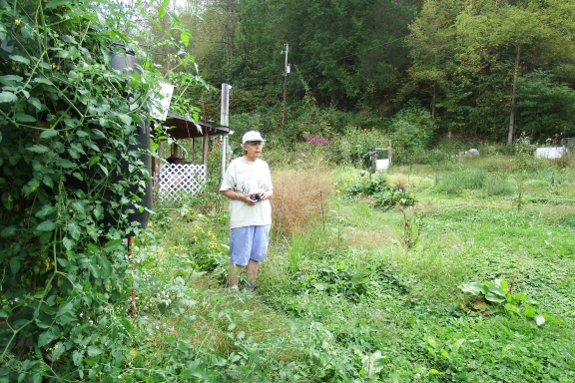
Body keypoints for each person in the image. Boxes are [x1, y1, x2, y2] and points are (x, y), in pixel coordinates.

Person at [220, 130, 273, 291]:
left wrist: (265, 194)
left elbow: (271, 189)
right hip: (242, 219)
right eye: (254, 144)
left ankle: (249, 290)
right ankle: (233, 290)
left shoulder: (263, 166)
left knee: (255, 256)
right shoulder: (236, 165)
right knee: (238, 258)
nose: (258, 147)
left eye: (260, 144)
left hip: (262, 218)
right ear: (245, 147)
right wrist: (243, 197)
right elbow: (224, 190)